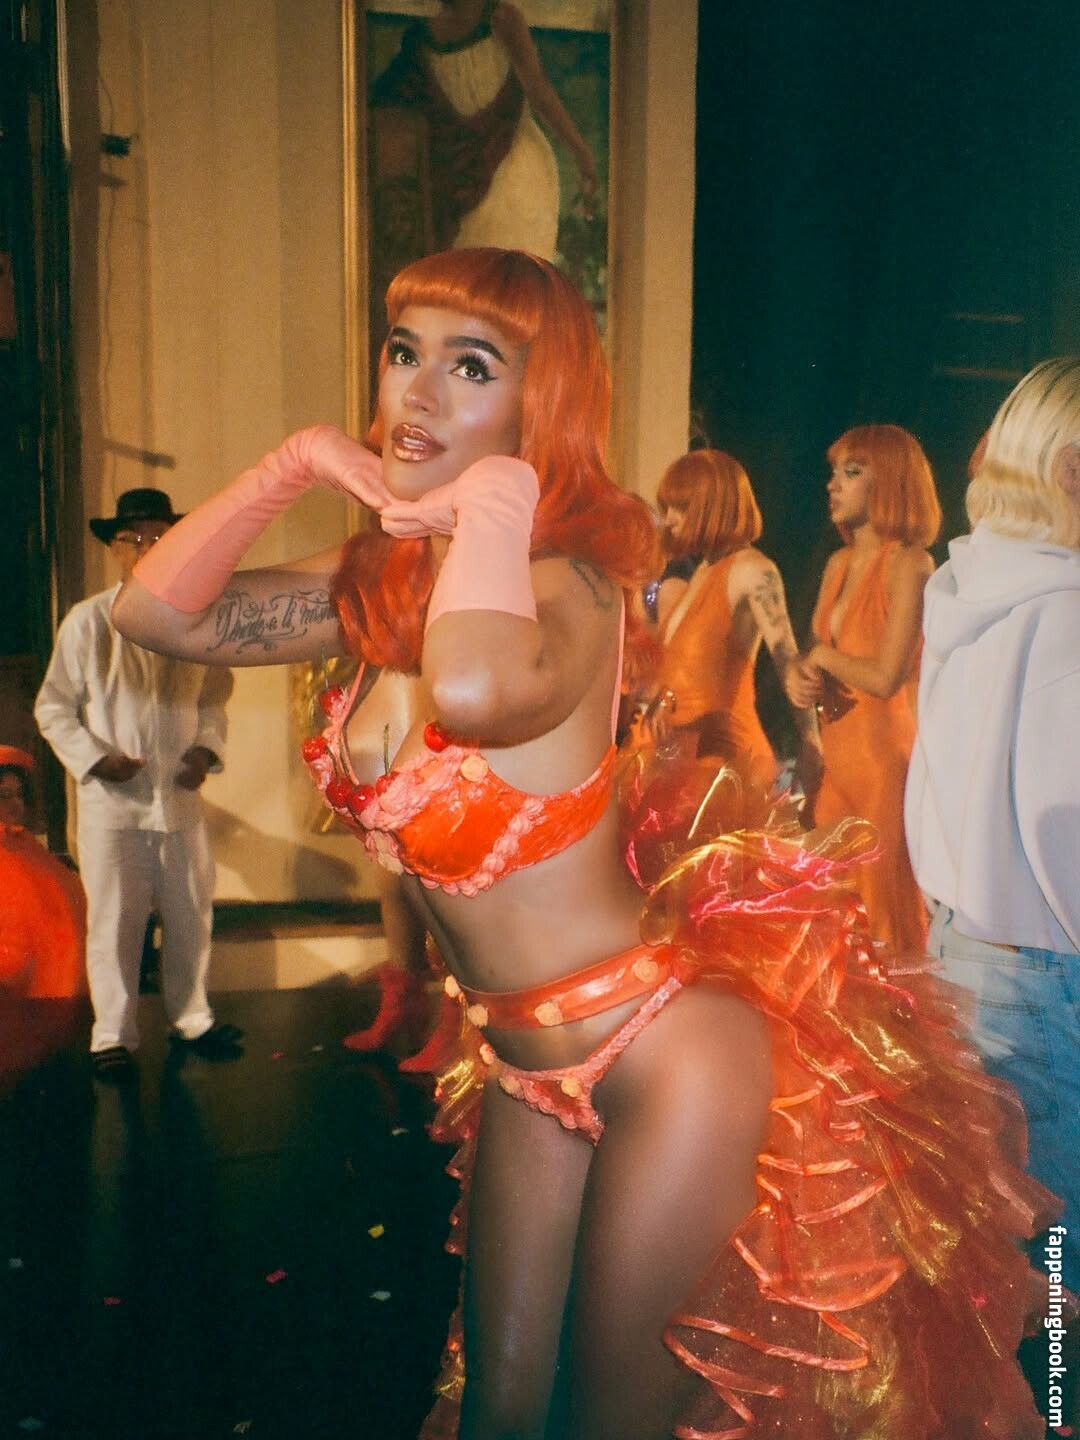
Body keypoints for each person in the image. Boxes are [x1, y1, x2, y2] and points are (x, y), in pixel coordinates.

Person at [112, 248, 1052, 1439]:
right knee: (501, 1415)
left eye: (472, 366)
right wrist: (294, 462)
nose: (418, 392)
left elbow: (471, 689)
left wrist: (500, 496)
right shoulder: (380, 581)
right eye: (404, 353)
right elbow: (155, 612)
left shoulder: (569, 587)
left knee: (612, 1423)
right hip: (522, 1064)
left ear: (541, 399)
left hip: (664, 1055)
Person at [905, 357, 1080, 1300]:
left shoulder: (974, 587)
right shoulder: (1067, 613)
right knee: (1060, 1272)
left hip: (971, 957)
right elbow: (1066, 829)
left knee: (1011, 1266)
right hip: (1047, 972)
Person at [34, 489, 241, 1083]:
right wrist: (97, 760)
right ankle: (112, 1035)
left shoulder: (195, 619)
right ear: (115, 549)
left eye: (160, 537)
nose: (149, 548)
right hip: (113, 805)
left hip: (178, 800)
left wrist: (205, 750)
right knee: (116, 922)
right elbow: (53, 708)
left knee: (190, 912)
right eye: (135, 539)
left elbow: (214, 698)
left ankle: (192, 1018)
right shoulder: (88, 621)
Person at [785, 425, 940, 956]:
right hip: (836, 769)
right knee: (828, 928)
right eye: (834, 472)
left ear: (891, 483)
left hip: (883, 771)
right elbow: (816, 656)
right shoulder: (837, 564)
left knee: (885, 929)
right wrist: (800, 676)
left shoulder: (911, 564)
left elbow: (885, 676)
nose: (832, 484)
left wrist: (821, 659)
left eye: (851, 473)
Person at [637, 447, 821, 797]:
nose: (670, 520)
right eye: (667, 509)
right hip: (680, 755)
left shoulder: (752, 569)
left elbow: (787, 659)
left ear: (710, 506)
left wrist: (811, 742)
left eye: (679, 507)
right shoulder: (702, 572)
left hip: (724, 763)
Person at [372, 0, 598, 259]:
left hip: (504, 177)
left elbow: (540, 93)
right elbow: (539, 94)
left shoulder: (426, 33)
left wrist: (582, 156)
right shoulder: (498, 19)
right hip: (502, 178)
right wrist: (583, 157)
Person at [0, 745, 86, 1088]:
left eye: (19, 795)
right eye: (4, 795)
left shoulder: (26, 846)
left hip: (52, 1003)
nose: (15, 805)